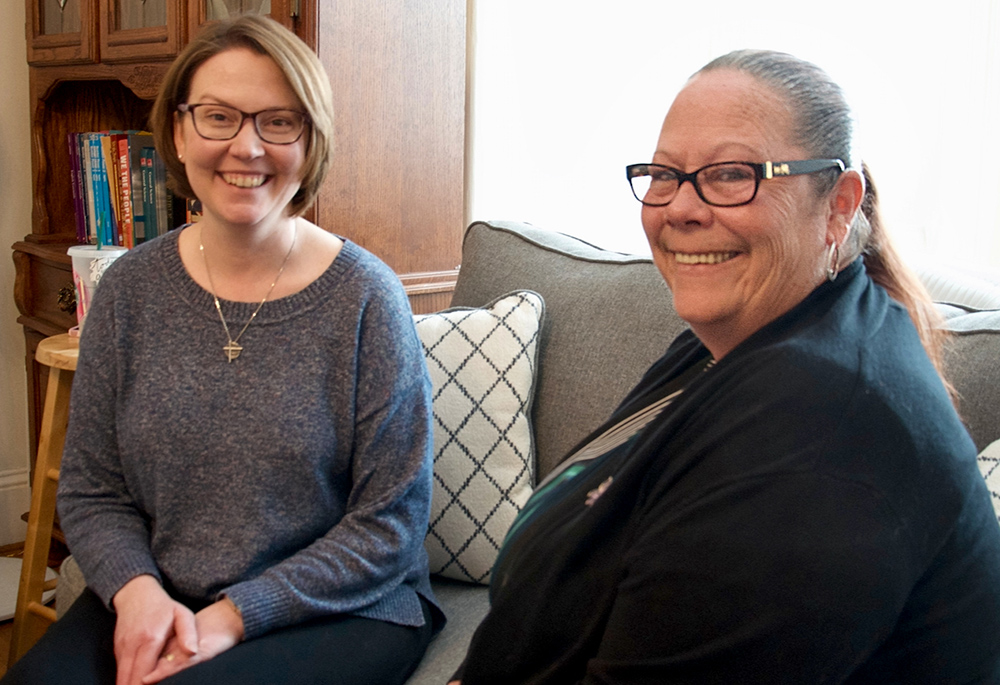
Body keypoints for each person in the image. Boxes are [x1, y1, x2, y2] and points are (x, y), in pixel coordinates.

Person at [450, 50, 1000, 684]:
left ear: (839, 205)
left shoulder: (820, 433)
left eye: (734, 173)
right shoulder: (737, 344)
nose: (680, 208)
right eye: (664, 173)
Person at [4, 14, 442, 685]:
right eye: (218, 117)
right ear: (178, 132)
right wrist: (137, 592)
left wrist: (232, 616)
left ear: (311, 139)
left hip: (343, 609)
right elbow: (93, 489)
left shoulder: (366, 299)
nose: (248, 146)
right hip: (167, 589)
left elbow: (389, 525)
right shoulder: (128, 291)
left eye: (278, 121)